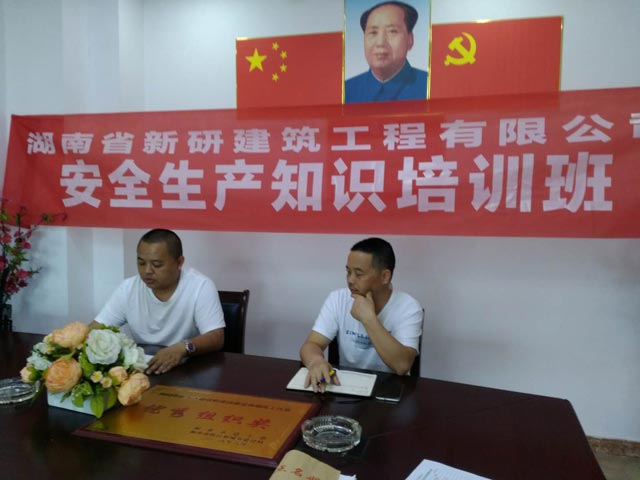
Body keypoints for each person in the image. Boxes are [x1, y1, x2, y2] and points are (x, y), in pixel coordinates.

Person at [90, 229, 225, 375]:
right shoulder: (128, 288)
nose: (147, 271)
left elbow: (216, 337)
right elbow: (96, 329)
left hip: (188, 371)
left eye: (157, 264)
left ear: (179, 262)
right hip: (144, 370)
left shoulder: (200, 286)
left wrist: (182, 348)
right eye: (141, 263)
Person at [300, 237, 423, 392]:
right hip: (346, 386)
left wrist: (369, 319)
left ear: (385, 276)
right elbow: (311, 344)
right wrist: (316, 361)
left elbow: (402, 366)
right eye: (348, 272)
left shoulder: (409, 307)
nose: (350, 280)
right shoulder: (338, 298)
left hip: (390, 390)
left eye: (359, 274)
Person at [345, 1, 428, 103]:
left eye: (392, 31)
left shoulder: (430, 86)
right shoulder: (347, 91)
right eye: (373, 32)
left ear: (410, 40)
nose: (380, 43)